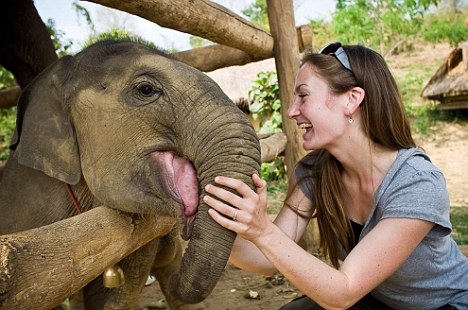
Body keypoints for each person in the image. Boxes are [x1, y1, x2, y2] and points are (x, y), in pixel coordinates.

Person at [203, 42, 468, 309]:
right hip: (378, 300)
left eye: (303, 96)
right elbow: (266, 259)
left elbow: (343, 292)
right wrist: (215, 222)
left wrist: (262, 230)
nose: (292, 111)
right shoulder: (315, 172)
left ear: (351, 100)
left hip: (444, 304)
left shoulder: (416, 182)